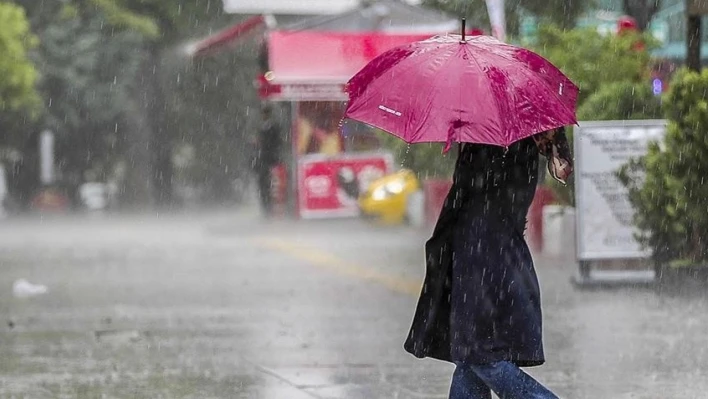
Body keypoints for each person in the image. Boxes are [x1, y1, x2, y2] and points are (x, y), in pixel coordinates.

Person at [403, 127, 573, 399]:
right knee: (468, 356)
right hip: (494, 250)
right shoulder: (521, 133)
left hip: (481, 252)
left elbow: (476, 191)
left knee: (480, 353)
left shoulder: (493, 137)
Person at [253, 105, 282, 217]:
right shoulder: (262, 128)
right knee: (264, 186)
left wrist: (262, 143)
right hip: (264, 161)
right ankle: (265, 209)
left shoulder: (273, 128)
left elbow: (275, 144)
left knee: (271, 185)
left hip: (271, 161)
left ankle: (270, 209)